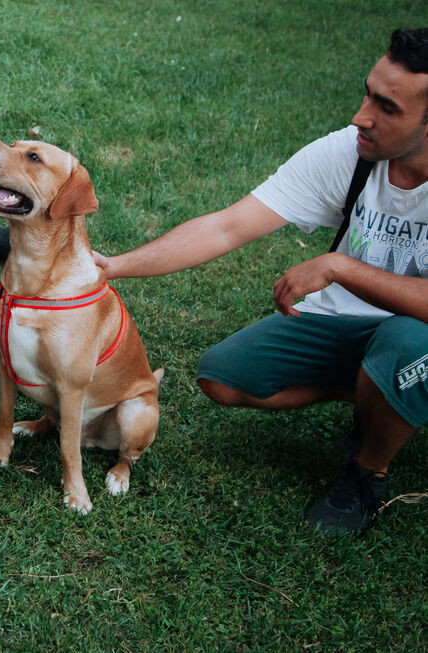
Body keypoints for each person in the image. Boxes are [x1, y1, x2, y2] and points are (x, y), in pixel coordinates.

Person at [94, 28, 428, 535]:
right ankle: (374, 395)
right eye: (368, 93)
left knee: (406, 341)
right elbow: (226, 226)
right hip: (348, 326)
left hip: (416, 336)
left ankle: (367, 472)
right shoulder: (351, 152)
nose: (362, 115)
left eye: (387, 107)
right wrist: (115, 265)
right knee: (222, 376)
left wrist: (340, 266)